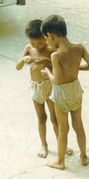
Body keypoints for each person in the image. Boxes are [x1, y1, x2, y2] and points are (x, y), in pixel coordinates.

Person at [41, 15, 89, 169]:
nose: (47, 43)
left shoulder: (56, 55)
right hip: (76, 90)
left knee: (63, 129)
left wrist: (47, 72)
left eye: (46, 39)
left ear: (51, 36)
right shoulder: (79, 47)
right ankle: (84, 157)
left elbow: (57, 80)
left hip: (61, 94)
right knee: (79, 125)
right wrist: (77, 68)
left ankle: (60, 162)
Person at [16, 19, 73, 158]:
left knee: (55, 118)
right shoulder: (28, 49)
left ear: (46, 37)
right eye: (33, 43)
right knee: (41, 118)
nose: (37, 46)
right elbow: (18, 67)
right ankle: (44, 144)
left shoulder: (51, 49)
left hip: (51, 86)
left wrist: (47, 62)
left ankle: (62, 144)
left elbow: (60, 68)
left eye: (40, 42)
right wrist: (24, 60)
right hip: (36, 87)